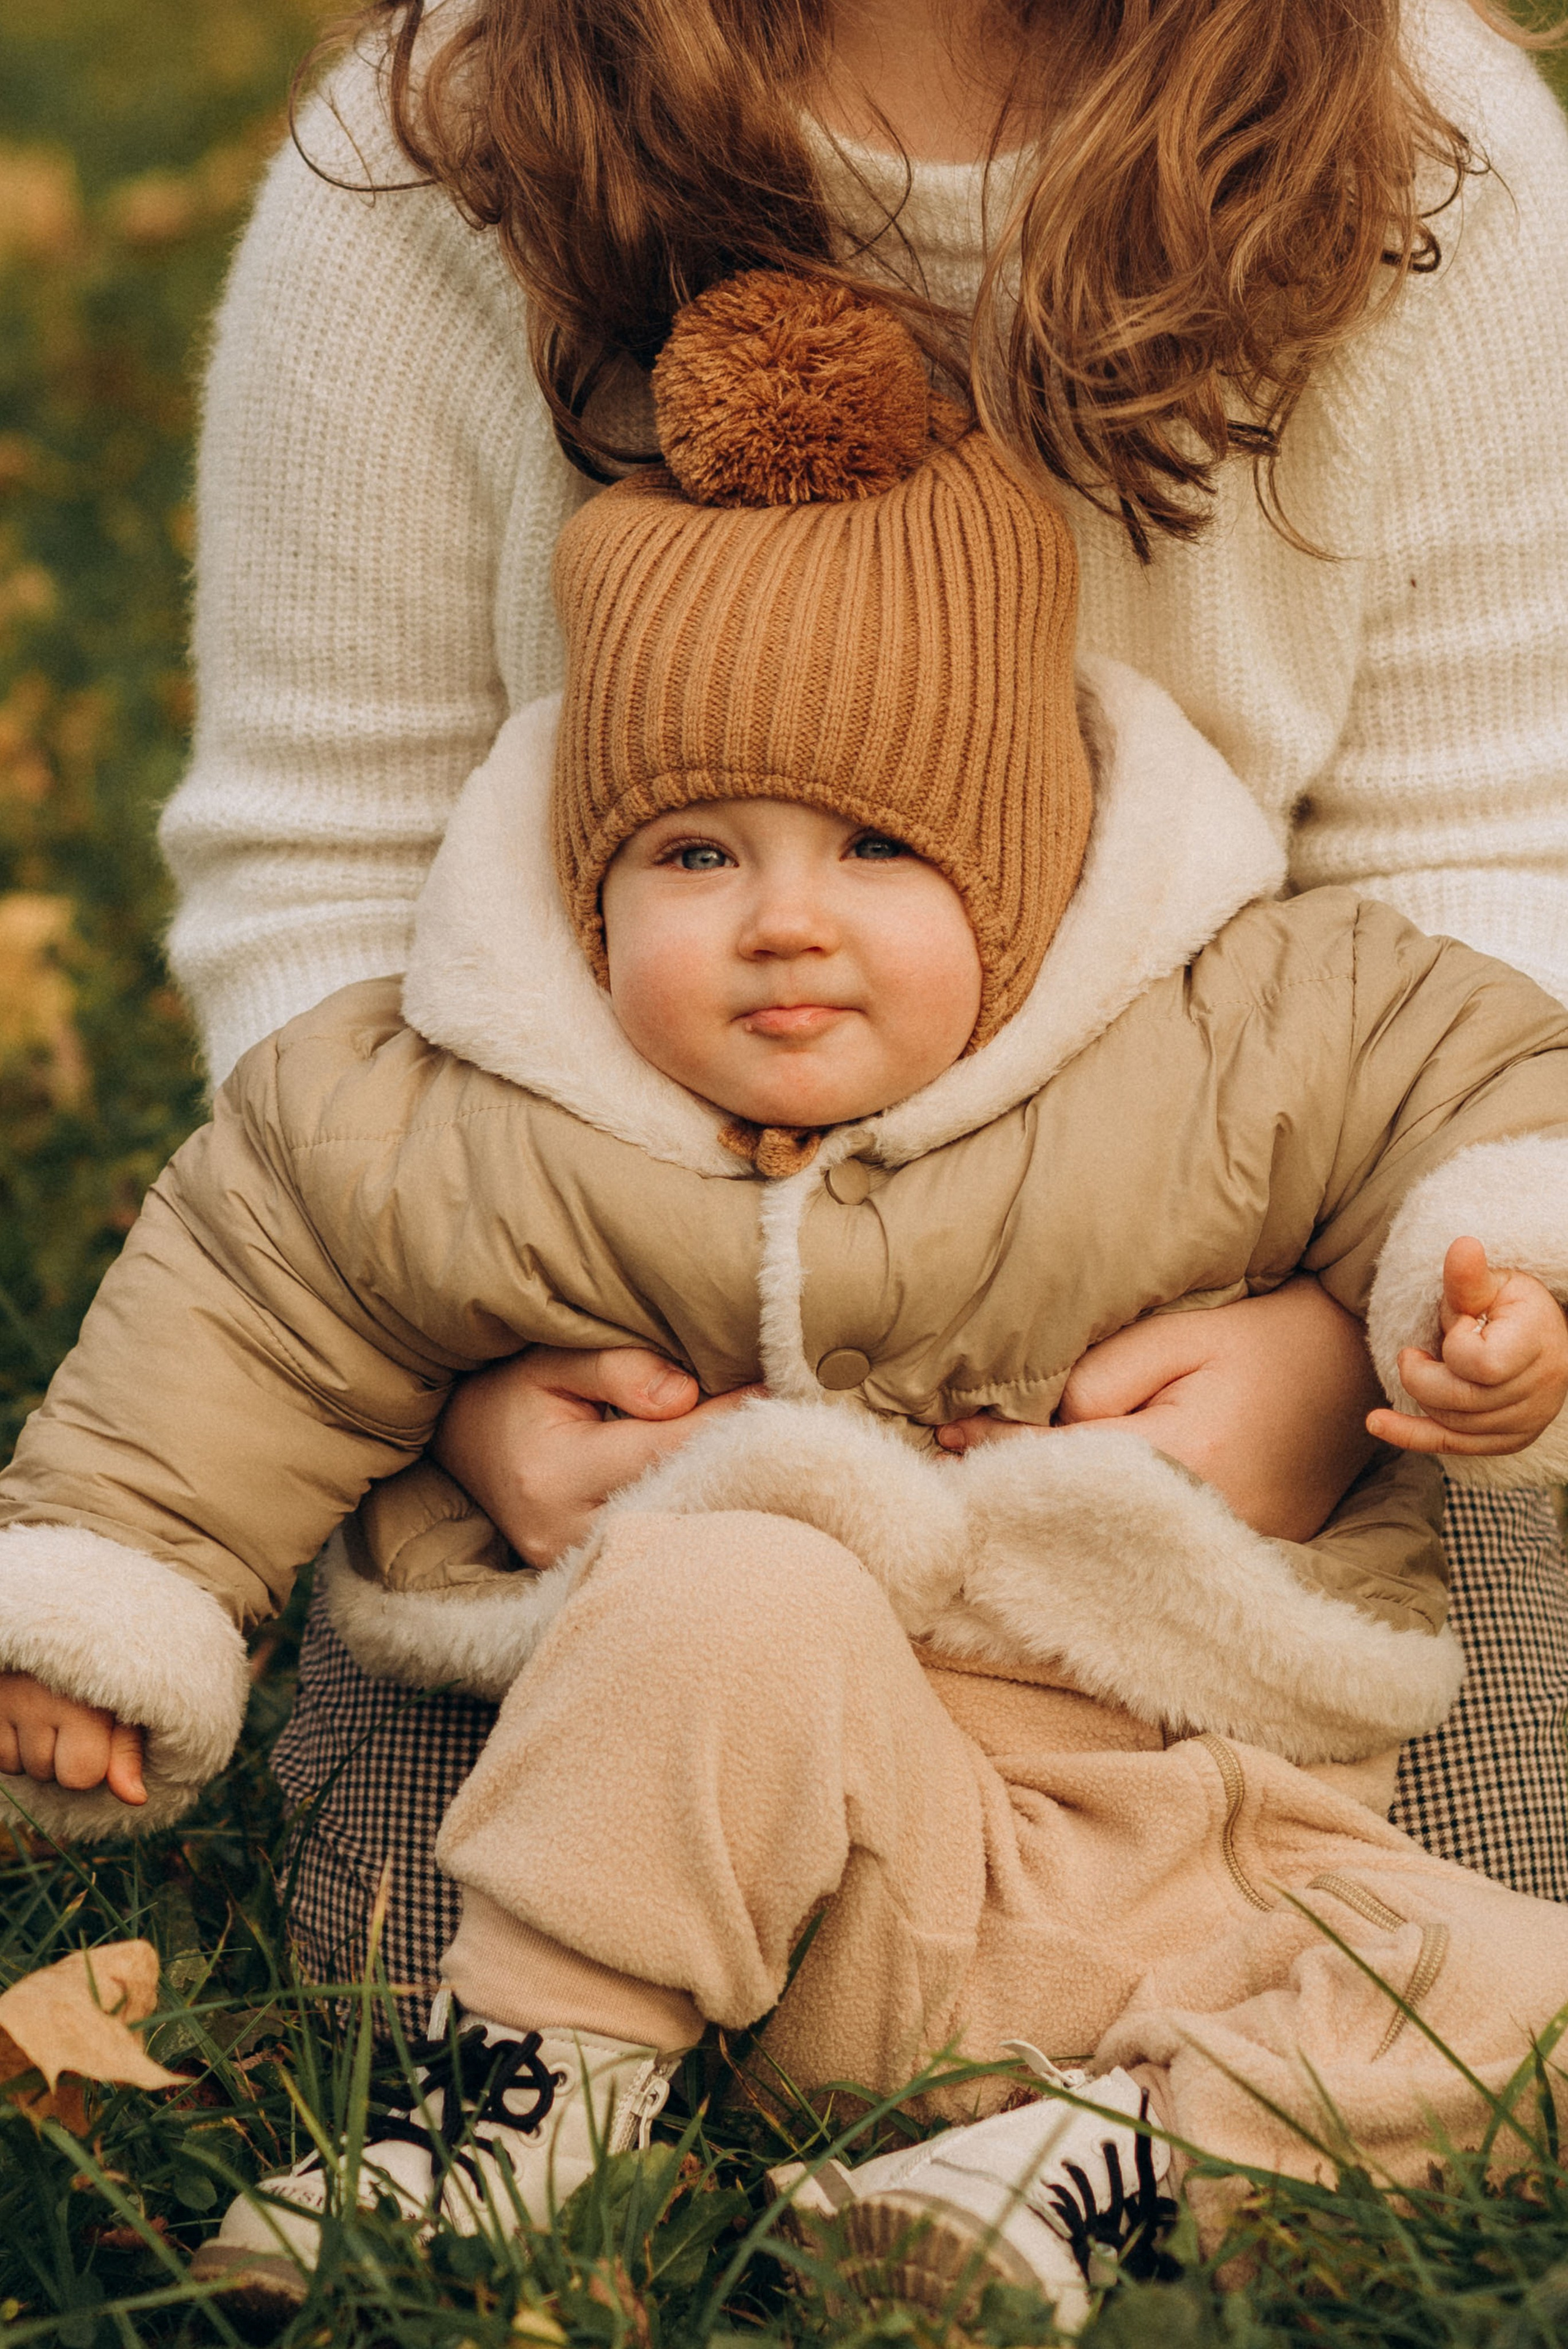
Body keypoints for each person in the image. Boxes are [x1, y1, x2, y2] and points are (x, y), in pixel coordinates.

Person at [1, 274, 1567, 2321]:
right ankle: (523, 2089)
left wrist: (1500, 1277)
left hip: (1178, 1845)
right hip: (732, 1823)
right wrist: (103, 1602)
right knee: (727, 1575)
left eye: (875, 846)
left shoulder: (1227, 1036)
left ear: (1021, 867)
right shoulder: (475, 1112)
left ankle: (1087, 2170)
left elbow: (1482, 1078)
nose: (786, 920)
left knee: (1521, 1992)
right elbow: (246, 1305)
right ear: (587, 876)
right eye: (695, 853)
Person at [149, 0, 1568, 1996]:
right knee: (410, 1952)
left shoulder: (1431, 136)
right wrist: (464, 1374)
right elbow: (328, 855)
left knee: (1497, 1905)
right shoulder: (432, 146)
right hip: (626, 1323)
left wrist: (1347, 1344)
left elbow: (1481, 858)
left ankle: (1070, 2110)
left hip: (1240, 1318)